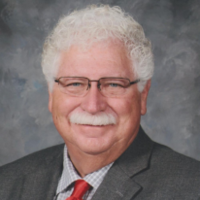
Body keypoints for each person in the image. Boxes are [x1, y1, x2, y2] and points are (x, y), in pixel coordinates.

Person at [0, 4, 199, 200]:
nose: (93, 105)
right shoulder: (7, 183)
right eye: (75, 83)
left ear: (143, 95)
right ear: (51, 94)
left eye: (113, 84)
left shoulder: (191, 188)